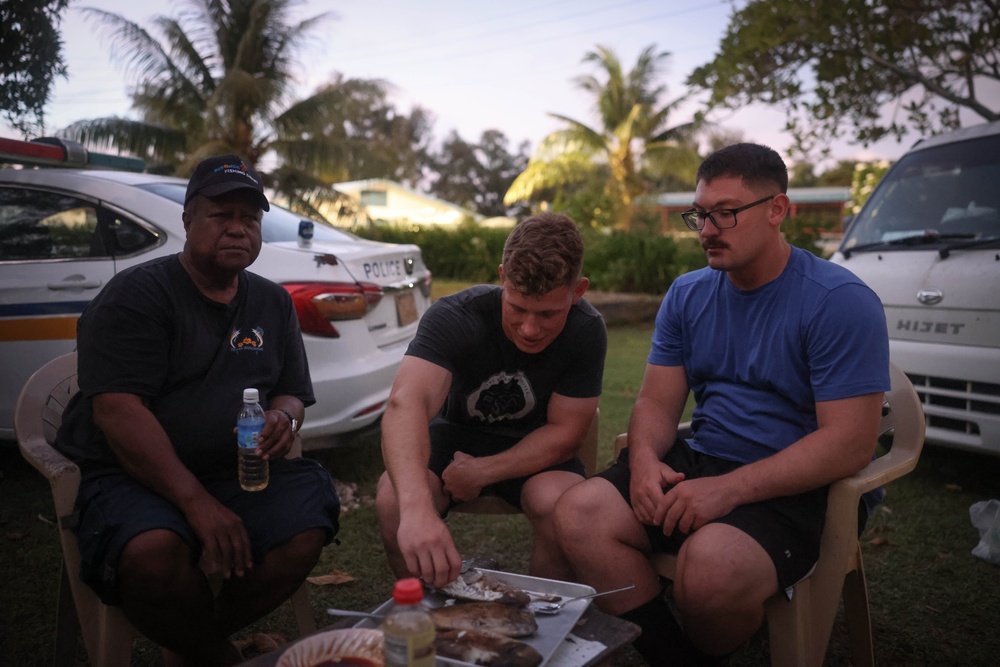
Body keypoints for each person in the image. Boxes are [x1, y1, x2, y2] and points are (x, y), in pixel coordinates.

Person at [553, 143, 890, 666]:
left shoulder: (838, 301)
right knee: (578, 513)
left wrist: (727, 491)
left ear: (777, 210)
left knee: (708, 571)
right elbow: (656, 402)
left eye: (726, 213)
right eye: (700, 215)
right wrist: (643, 463)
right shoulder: (688, 294)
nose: (708, 229)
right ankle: (674, 657)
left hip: (803, 481)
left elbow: (850, 444)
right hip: (707, 455)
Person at [55, 154, 340, 666]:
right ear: (187, 220)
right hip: (131, 474)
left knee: (305, 527)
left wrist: (285, 417)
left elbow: (292, 391)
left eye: (250, 219)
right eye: (221, 215)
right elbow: (117, 411)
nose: (238, 229)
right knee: (151, 554)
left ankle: (189, 642)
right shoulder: (136, 296)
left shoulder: (271, 303)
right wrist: (194, 501)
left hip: (237, 468)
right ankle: (217, 656)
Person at [375, 213, 607, 588]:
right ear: (502, 278)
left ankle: (545, 617)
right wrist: (417, 509)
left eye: (548, 313)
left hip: (536, 446)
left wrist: (483, 471)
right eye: (517, 308)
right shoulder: (455, 316)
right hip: (455, 437)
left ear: (577, 291)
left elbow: (566, 433)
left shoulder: (586, 330)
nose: (530, 329)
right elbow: (407, 404)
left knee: (559, 504)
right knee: (393, 502)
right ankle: (427, 622)